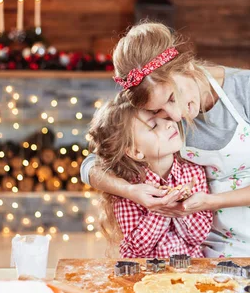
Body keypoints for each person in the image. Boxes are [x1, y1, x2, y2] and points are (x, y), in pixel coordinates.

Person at [82, 22, 250, 264]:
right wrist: (131, 191)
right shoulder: (153, 102)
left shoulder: (249, 88)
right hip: (217, 244)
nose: (175, 116)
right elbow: (91, 164)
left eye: (172, 97)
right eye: (159, 110)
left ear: (185, 66)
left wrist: (211, 202)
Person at [88, 92, 212, 258]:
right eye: (153, 126)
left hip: (189, 273)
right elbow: (139, 247)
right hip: (143, 276)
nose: (169, 124)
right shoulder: (128, 187)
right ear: (135, 151)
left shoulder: (194, 172)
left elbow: (198, 236)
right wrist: (160, 208)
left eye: (166, 117)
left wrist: (181, 206)